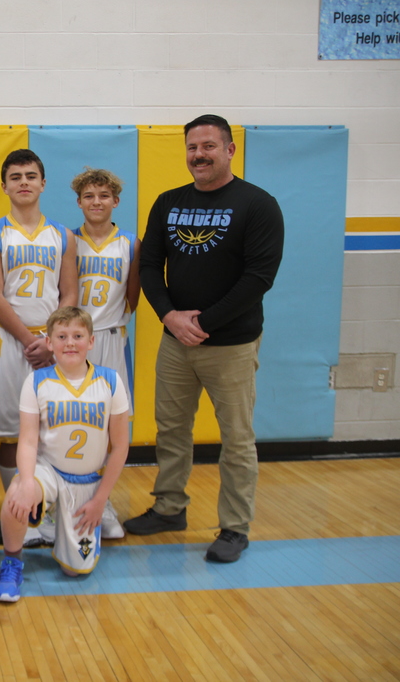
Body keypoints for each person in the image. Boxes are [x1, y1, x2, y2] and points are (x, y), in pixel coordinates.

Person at [124, 114, 284, 564]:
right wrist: (170, 317)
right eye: (193, 147)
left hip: (231, 345)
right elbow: (149, 266)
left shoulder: (258, 204)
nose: (200, 155)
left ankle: (234, 527)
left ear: (230, 150)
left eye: (209, 146)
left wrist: (203, 323)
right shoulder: (169, 202)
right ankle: (169, 508)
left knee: (237, 439)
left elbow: (259, 277)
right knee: (171, 429)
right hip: (176, 342)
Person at [0, 307, 130, 602]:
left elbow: (120, 447)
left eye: (78, 336)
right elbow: (28, 441)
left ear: (91, 341)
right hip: (49, 472)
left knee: (74, 571)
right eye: (62, 336)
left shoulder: (111, 381)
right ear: (49, 343)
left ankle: (63, 531)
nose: (70, 343)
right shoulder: (37, 381)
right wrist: (27, 480)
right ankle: (12, 563)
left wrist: (100, 501)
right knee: (16, 495)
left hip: (87, 481)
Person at [0, 149, 77, 546]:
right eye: (15, 177)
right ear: (4, 186)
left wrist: (52, 341)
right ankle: (19, 510)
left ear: (43, 183)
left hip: (53, 345)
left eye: (31, 176)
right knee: (10, 434)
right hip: (10, 344)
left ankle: (47, 508)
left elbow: (69, 292)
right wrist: (28, 340)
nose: (23, 182)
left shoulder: (63, 235)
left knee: (52, 429)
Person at [71, 167, 142, 540]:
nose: (96, 202)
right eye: (89, 196)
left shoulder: (130, 243)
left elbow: (133, 297)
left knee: (113, 427)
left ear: (116, 200)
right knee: (70, 420)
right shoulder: (68, 241)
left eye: (103, 196)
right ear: (79, 202)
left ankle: (104, 501)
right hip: (74, 341)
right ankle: (62, 501)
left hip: (112, 338)